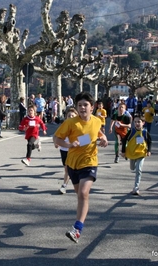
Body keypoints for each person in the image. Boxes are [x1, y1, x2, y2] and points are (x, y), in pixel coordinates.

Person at [53, 91, 108, 243]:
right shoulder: (71, 123)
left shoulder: (97, 120)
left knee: (83, 193)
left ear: (92, 107)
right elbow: (56, 138)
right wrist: (69, 144)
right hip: (72, 163)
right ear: (76, 107)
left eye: (86, 105)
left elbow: (98, 132)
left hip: (89, 162)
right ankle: (80, 220)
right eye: (80, 105)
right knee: (80, 195)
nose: (83, 108)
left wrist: (104, 139)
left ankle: (77, 229)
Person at [121, 115, 152, 195]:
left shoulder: (145, 132)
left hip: (141, 153)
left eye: (139, 122)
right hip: (132, 153)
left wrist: (149, 150)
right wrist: (123, 151)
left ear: (143, 123)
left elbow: (150, 141)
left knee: (138, 170)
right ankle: (133, 164)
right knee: (132, 168)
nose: (137, 123)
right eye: (135, 122)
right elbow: (124, 140)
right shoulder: (131, 131)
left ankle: (136, 188)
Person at [55, 107, 78, 194]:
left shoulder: (79, 126)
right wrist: (56, 143)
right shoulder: (63, 126)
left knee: (69, 169)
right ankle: (66, 184)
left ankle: (65, 185)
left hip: (75, 150)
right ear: (66, 117)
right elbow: (57, 136)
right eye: (69, 115)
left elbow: (86, 137)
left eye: (73, 115)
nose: (71, 117)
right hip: (64, 150)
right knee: (67, 169)